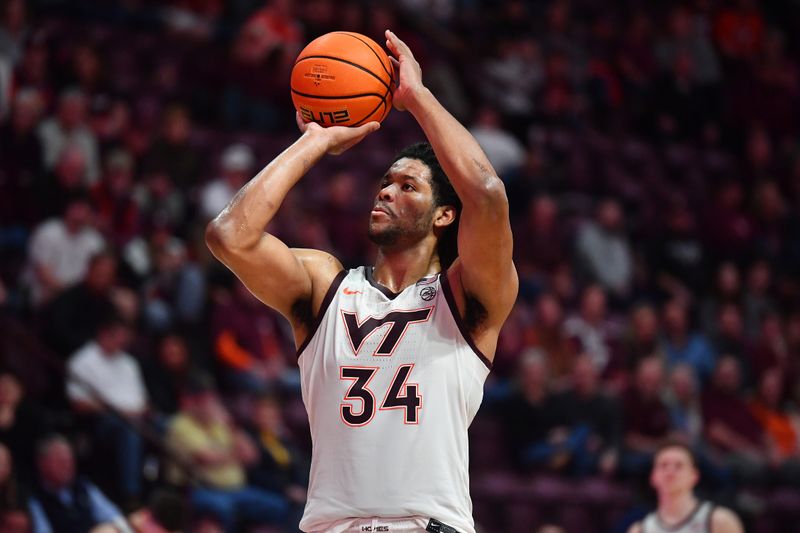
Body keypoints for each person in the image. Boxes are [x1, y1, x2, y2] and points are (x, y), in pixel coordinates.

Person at [206, 29, 517, 533]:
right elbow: (229, 236)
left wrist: (416, 97)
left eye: (407, 185)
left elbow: (486, 193)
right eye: (385, 182)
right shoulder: (325, 285)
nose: (387, 192)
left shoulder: (464, 299)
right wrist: (314, 141)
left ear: (443, 217)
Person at [627, 442, 743, 533]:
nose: (670, 471)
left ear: (694, 476)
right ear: (653, 477)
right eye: (663, 465)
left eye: (679, 465)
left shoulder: (719, 521)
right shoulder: (640, 530)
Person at [27, 435, 130, 533]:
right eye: (61, 461)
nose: (68, 466)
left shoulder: (82, 485)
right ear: (42, 464)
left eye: (69, 460)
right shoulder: (35, 498)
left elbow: (113, 516)